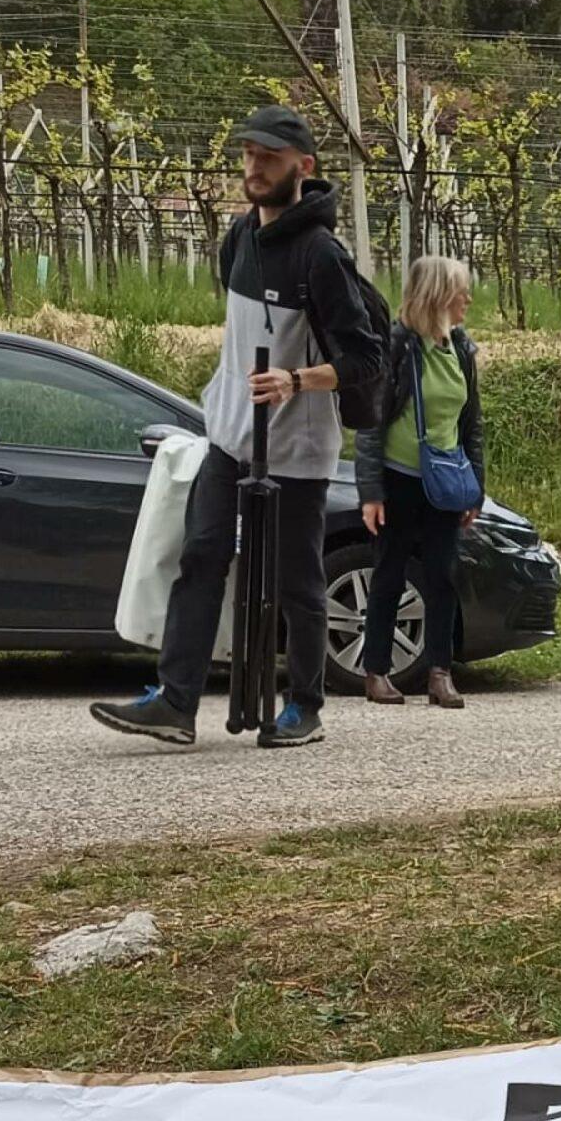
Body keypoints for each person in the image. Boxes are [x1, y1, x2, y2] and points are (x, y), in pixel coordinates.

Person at [92, 104, 384, 748]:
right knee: (200, 557)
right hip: (228, 434)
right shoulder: (239, 236)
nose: (254, 167)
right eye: (249, 154)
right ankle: (175, 701)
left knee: (295, 580)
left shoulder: (321, 255)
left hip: (297, 446)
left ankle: (303, 705)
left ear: (303, 168)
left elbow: (367, 358)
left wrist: (297, 380)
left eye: (269, 158)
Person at [353, 254, 485, 708]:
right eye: (459, 289)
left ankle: (439, 672)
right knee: (388, 574)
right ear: (437, 295)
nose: (467, 298)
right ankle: (376, 672)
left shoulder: (461, 349)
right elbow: (371, 423)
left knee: (442, 577)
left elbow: (472, 424)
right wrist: (370, 491)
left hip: (445, 480)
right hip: (399, 478)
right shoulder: (398, 346)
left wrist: (476, 487)